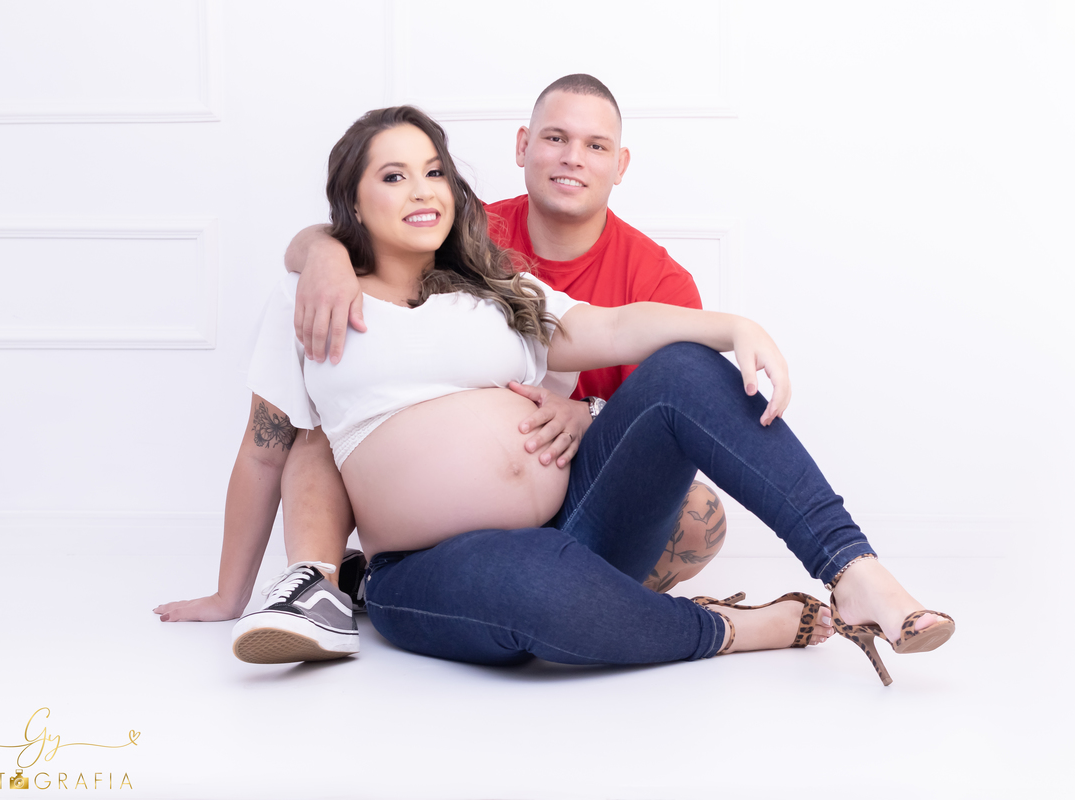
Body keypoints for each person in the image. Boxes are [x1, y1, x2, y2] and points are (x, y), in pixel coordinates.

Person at [156, 105, 954, 685]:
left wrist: (730, 324)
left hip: (581, 515)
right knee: (536, 593)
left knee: (680, 364)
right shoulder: (316, 301)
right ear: (352, 202)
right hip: (434, 567)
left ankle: (854, 571)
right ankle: (734, 628)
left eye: (434, 170)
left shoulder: (497, 287)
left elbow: (611, 329)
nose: (421, 188)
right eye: (392, 175)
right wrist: (231, 595)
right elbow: (266, 451)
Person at [283, 75, 727, 594]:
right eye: (556, 138)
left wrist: (589, 415)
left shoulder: (660, 282)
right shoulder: (465, 235)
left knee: (699, 514)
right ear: (523, 146)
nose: (573, 158)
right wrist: (323, 251)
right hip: (441, 490)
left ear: (620, 164)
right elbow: (370, 234)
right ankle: (344, 579)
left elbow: (665, 416)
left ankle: (575, 600)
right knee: (316, 415)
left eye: (596, 145)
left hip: (579, 482)